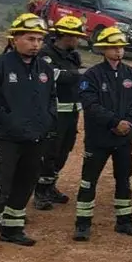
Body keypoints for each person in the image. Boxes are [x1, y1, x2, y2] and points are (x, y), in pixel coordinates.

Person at [0, 13, 57, 253]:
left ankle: (13, 229)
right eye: (30, 39)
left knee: (26, 182)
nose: (36, 44)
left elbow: (51, 99)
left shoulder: (46, 69)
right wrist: (5, 119)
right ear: (14, 38)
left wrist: (49, 120)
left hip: (35, 137)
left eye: (39, 39)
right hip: (5, 137)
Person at [74, 26, 132, 240]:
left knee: (123, 180)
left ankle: (124, 221)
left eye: (121, 47)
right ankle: (82, 224)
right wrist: (114, 122)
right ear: (103, 49)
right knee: (89, 181)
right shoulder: (92, 75)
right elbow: (90, 104)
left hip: (124, 139)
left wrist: (129, 121)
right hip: (99, 139)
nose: (118, 51)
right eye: (113, 47)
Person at [33, 14, 87, 210]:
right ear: (65, 36)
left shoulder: (74, 55)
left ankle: (50, 185)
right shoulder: (45, 54)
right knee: (50, 151)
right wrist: (79, 74)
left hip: (72, 111)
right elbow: (53, 76)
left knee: (64, 150)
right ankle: (40, 191)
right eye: (75, 37)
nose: (78, 40)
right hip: (54, 112)